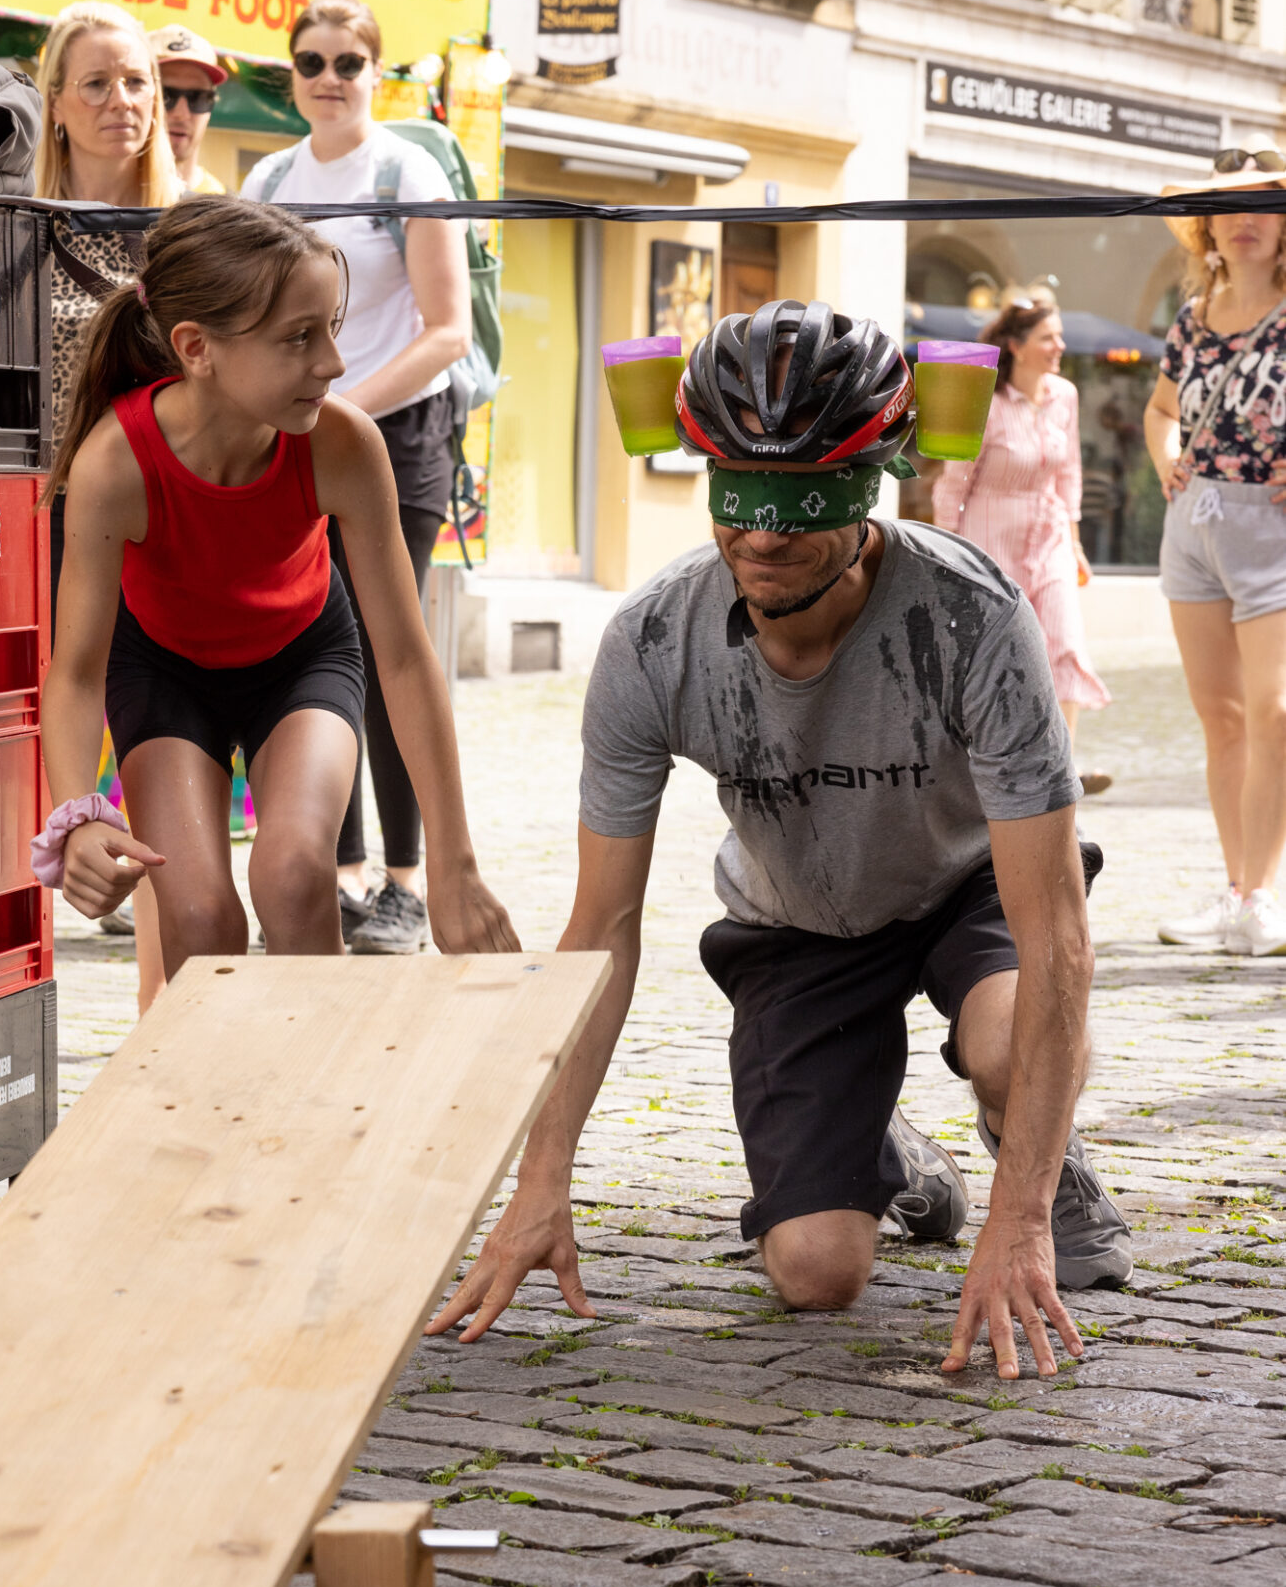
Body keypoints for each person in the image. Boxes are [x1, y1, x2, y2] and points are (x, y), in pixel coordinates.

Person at [430, 301, 1134, 1380]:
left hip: (968, 889)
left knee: (1011, 1043)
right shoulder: (653, 642)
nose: (762, 535)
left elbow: (1058, 937)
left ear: (870, 488)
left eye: (802, 501)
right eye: (740, 494)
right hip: (799, 923)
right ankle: (878, 1142)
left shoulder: (973, 617)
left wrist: (1021, 1216)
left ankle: (1037, 1144)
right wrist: (541, 1178)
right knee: (815, 1272)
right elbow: (601, 930)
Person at [34, 197, 515, 979]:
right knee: (199, 916)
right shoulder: (114, 462)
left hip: (302, 660)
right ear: (197, 348)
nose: (333, 363)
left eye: (332, 327)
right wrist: (78, 816)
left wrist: (454, 867)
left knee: (293, 877)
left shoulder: (343, 442)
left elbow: (404, 659)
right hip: (161, 673)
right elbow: (77, 672)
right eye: (299, 337)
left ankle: (315, 1063)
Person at [240, 0, 471, 957]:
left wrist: (345, 413)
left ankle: (406, 884)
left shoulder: (405, 171)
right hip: (297, 437)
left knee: (385, 647)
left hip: (396, 437)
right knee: (306, 645)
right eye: (311, 62)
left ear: (377, 73)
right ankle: (340, 874)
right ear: (290, 76)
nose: (328, 78)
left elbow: (446, 330)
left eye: (347, 62)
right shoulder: (268, 178)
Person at [35, 4, 182, 1004]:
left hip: (166, 518)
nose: (121, 100)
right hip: (43, 522)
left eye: (137, 82)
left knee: (161, 759)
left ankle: (160, 1013)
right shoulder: (13, 230)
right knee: (32, 751)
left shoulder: (191, 235)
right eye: (95, 82)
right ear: (54, 103)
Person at [1147, 150, 1286, 956]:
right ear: (1206, 228)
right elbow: (1160, 410)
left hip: (1272, 527)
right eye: (1228, 207)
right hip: (1192, 523)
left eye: (1264, 204)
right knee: (1222, 718)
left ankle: (1261, 897)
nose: (1244, 219)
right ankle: (1236, 890)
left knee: (1275, 712)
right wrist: (1164, 457)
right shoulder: (1193, 318)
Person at [932, 297, 1111, 796]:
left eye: (1059, 336)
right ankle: (984, 761)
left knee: (1064, 640)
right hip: (990, 537)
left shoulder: (1065, 395)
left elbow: (1070, 472)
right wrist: (947, 552)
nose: (1060, 346)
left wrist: (1074, 543)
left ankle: (1061, 768)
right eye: (1048, 337)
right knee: (995, 653)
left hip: (1048, 533)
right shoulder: (985, 401)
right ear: (1016, 346)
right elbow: (953, 484)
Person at [149, 24, 228, 196]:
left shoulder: (220, 202)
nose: (182, 114)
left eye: (197, 98)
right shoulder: (107, 194)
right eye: (166, 95)